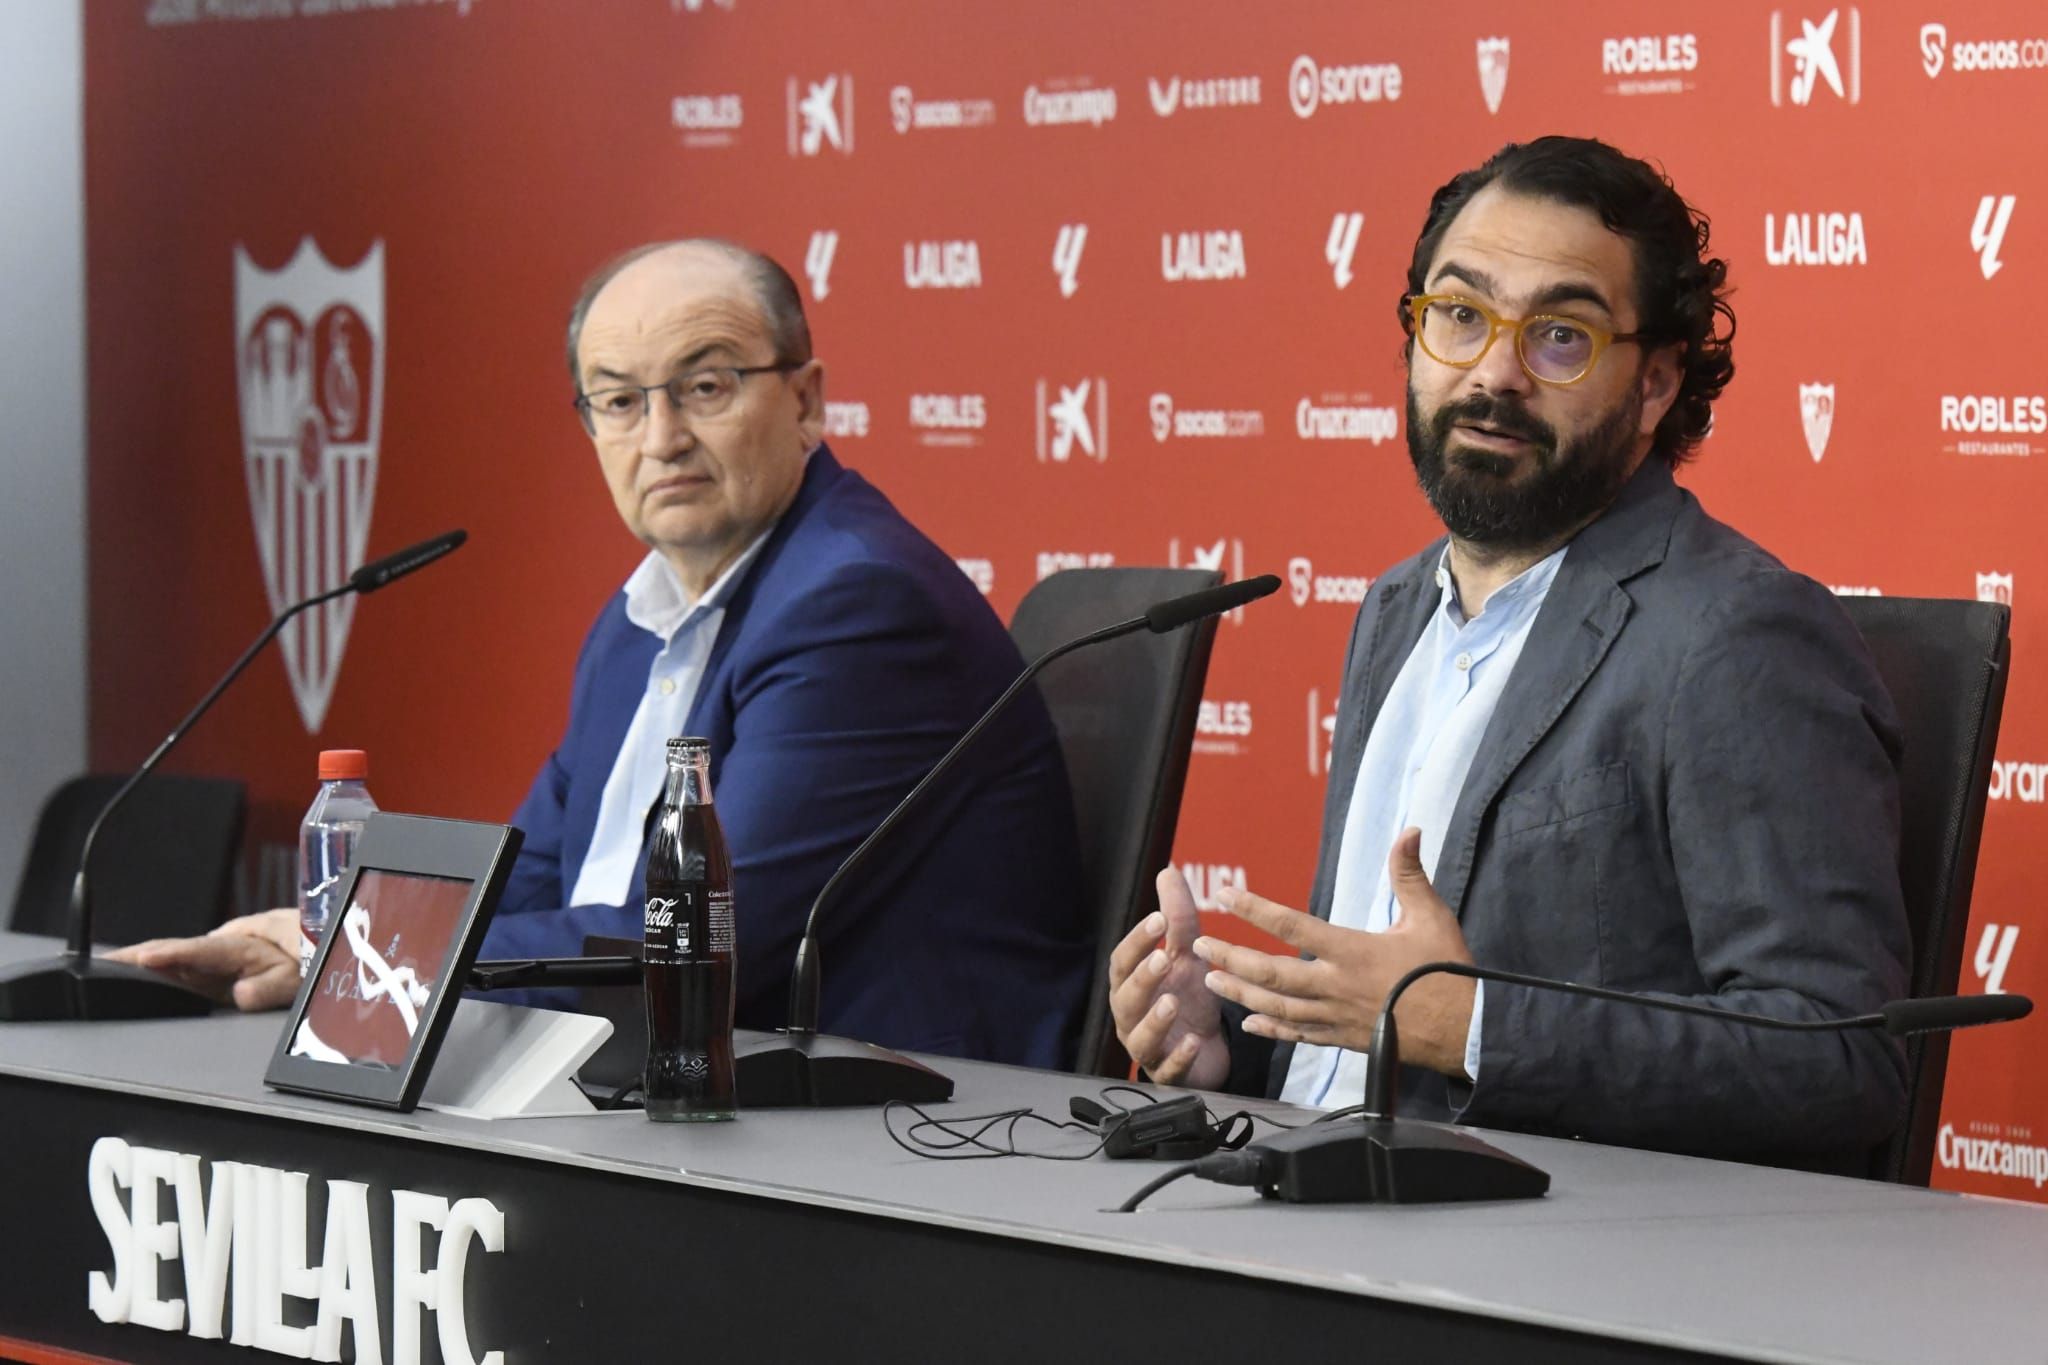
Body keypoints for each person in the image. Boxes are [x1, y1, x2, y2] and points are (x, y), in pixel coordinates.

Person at [1107, 136, 1911, 1169]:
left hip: (1546, 1275)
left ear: (1656, 383)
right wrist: (1223, 1038)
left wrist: (1471, 1029)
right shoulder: (1394, 609)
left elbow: (1838, 1060)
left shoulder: (1735, 637)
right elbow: (1372, 1038)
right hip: (1322, 1202)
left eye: (1560, 337)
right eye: (1458, 315)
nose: (1494, 371)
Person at [118, 240, 1092, 1070]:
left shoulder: (856, 606)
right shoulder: (637, 627)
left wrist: (363, 945)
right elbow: (537, 883)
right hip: (698, 1085)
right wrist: (339, 947)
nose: (661, 438)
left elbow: (703, 938)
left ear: (805, 401)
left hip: (910, 1123)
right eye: (619, 402)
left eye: (705, 386)